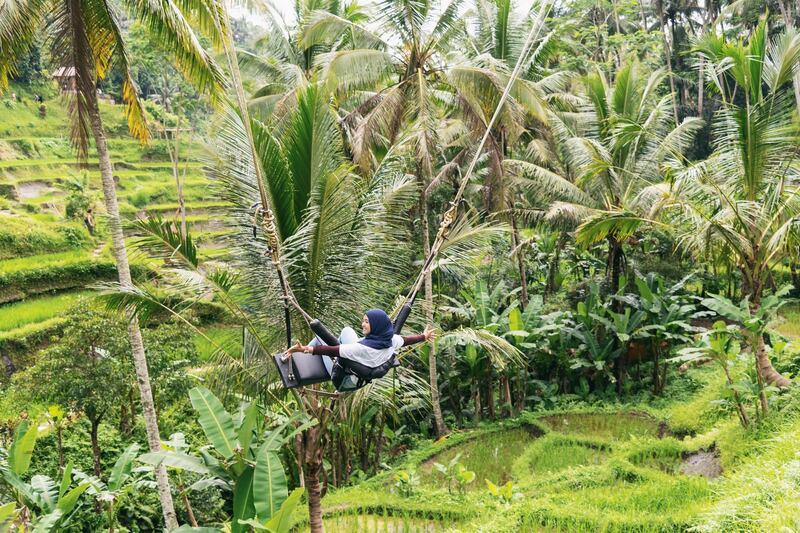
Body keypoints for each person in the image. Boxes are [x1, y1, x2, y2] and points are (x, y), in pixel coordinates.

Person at [286, 309, 435, 374]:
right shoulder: (390, 340)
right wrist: (423, 336)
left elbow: (329, 350)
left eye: (366, 322)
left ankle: (290, 354)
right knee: (347, 331)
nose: (362, 324)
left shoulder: (359, 349)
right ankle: (300, 349)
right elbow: (407, 340)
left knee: (320, 339)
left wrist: (302, 349)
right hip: (366, 364)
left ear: (376, 325)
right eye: (363, 321)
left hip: (340, 370)